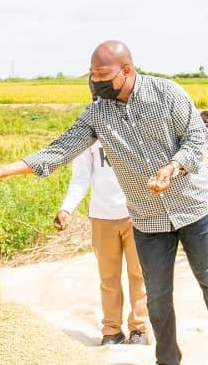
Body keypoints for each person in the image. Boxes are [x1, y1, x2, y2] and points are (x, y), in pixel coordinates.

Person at [0, 41, 208, 365]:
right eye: (92, 76)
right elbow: (61, 150)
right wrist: (6, 170)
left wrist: (173, 168)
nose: (96, 82)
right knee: (157, 295)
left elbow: (195, 138)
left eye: (103, 75)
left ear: (127, 71)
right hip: (148, 218)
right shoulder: (97, 115)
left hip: (192, 207)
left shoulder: (167, 94)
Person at [56, 141, 149, 346]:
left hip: (137, 213)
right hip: (102, 215)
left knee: (139, 274)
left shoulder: (136, 121)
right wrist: (67, 208)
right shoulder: (90, 129)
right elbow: (81, 177)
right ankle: (112, 330)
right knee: (108, 277)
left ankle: (139, 329)